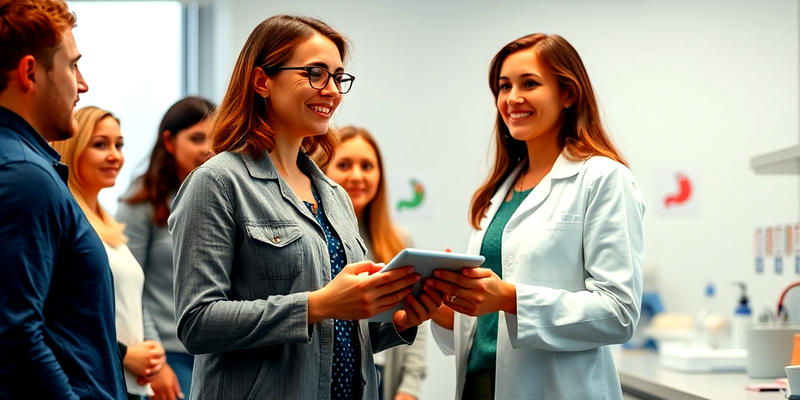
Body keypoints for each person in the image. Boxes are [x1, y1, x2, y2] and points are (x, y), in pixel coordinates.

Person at [168, 14, 442, 400]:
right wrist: (316, 305)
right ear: (262, 81)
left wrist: (401, 319)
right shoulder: (217, 183)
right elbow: (197, 323)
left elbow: (339, 334)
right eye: (315, 73)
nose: (331, 90)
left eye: (338, 77)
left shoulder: (333, 195)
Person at [426, 33, 645, 400]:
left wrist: (509, 298)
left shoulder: (603, 179)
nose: (513, 98)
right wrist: (444, 303)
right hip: (479, 386)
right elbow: (486, 327)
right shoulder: (500, 190)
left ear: (568, 94)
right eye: (503, 86)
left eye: (529, 83)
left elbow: (618, 313)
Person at [0, 1, 126, 398]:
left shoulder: (24, 164)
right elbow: (15, 336)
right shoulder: (23, 175)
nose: (83, 84)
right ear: (30, 72)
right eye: (73, 65)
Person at [51, 106, 184, 400]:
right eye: (100, 144)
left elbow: (132, 300)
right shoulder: (67, 220)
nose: (115, 155)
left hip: (127, 382)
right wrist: (123, 353)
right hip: (92, 380)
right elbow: (61, 314)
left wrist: (152, 350)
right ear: (73, 149)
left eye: (119, 145)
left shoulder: (108, 223)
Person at [117, 96, 216, 398]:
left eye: (214, 139)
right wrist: (157, 360)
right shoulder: (141, 202)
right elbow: (128, 288)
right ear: (169, 142)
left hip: (216, 351)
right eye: (196, 139)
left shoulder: (222, 199)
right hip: (169, 354)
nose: (207, 149)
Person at [324, 126, 428, 400]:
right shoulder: (318, 240)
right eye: (344, 164)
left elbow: (416, 320)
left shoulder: (398, 240)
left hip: (384, 385)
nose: (357, 176)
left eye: (367, 166)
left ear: (380, 176)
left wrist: (409, 389)